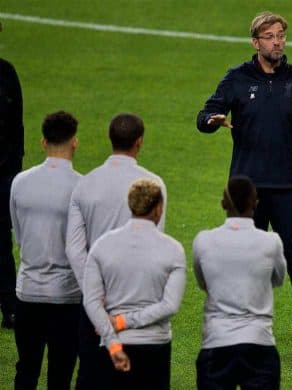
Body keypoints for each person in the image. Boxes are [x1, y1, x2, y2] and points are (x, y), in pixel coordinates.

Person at [196, 11, 292, 345]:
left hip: (290, 186)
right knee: (245, 259)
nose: (278, 41)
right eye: (270, 36)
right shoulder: (236, 78)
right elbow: (204, 115)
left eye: (281, 35)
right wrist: (213, 120)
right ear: (256, 42)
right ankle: (241, 327)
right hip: (247, 190)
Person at [66, 113, 167, 389]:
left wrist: (95, 296)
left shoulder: (84, 184)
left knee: (92, 378)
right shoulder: (154, 184)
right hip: (139, 306)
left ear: (110, 140)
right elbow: (154, 246)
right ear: (139, 142)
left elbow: (74, 249)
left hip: (94, 308)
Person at [83, 178, 185, 389]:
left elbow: (91, 301)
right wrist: (124, 321)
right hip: (154, 346)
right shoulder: (173, 249)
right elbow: (170, 305)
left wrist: (113, 344)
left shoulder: (103, 245)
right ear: (158, 209)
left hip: (113, 346)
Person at [193, 176, 286, 389]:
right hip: (259, 343)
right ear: (256, 203)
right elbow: (278, 279)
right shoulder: (271, 242)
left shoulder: (203, 240)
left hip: (216, 344)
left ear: (223, 203)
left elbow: (203, 282)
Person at [10, 111, 80, 389]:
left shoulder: (20, 182)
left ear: (43, 142)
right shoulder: (81, 187)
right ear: (74, 142)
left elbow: (18, 233)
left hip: (28, 292)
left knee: (26, 370)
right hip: (67, 297)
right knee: (60, 376)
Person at [0, 48, 24, 329]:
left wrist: (13, 176)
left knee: (0, 242)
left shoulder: (6, 73)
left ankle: (9, 306)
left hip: (3, 175)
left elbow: (16, 130)